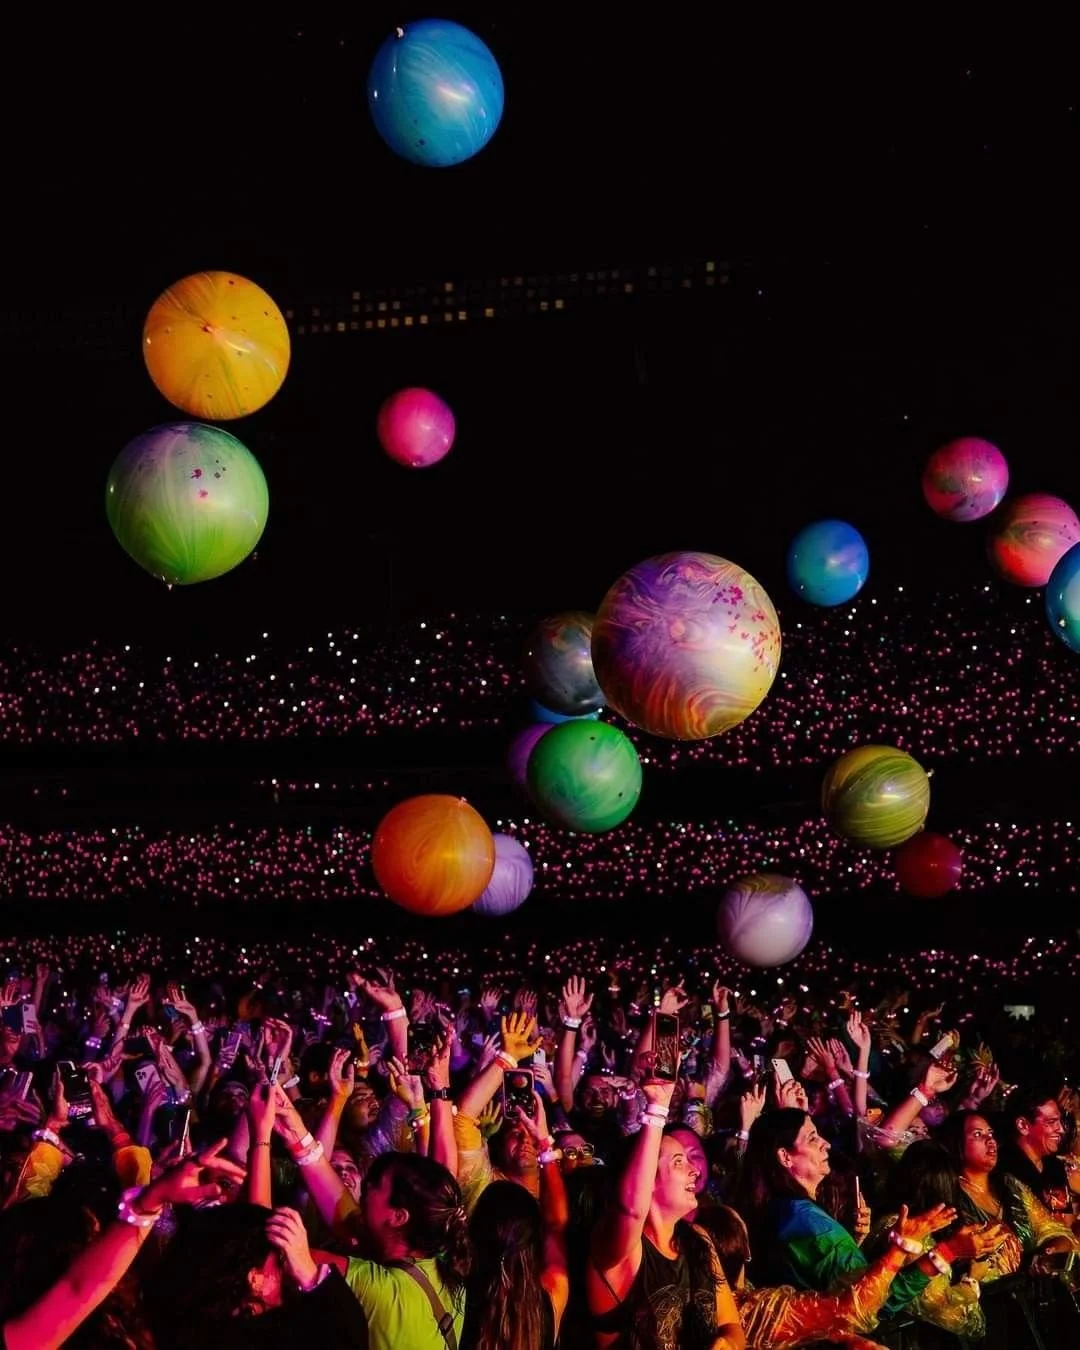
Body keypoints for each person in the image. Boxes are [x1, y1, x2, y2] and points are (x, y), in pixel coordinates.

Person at [587, 1074, 745, 1350]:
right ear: (646, 1178)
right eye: (679, 1162)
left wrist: (726, 1344)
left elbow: (731, 1326)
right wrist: (657, 1109)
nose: (695, 1171)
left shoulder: (699, 1240)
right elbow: (631, 1210)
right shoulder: (619, 1252)